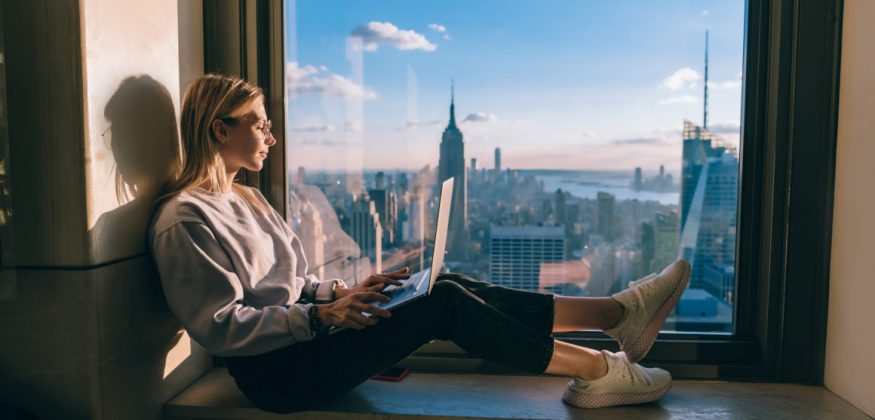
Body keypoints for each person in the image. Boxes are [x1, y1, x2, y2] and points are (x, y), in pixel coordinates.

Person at [148, 74, 692, 414]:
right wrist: (322, 319)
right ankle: (597, 369)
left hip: (309, 341)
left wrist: (348, 292)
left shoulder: (250, 200)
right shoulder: (186, 219)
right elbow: (220, 326)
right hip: (282, 376)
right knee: (446, 303)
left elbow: (294, 286)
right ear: (220, 131)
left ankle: (616, 315)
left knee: (440, 283)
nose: (270, 137)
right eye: (259, 125)